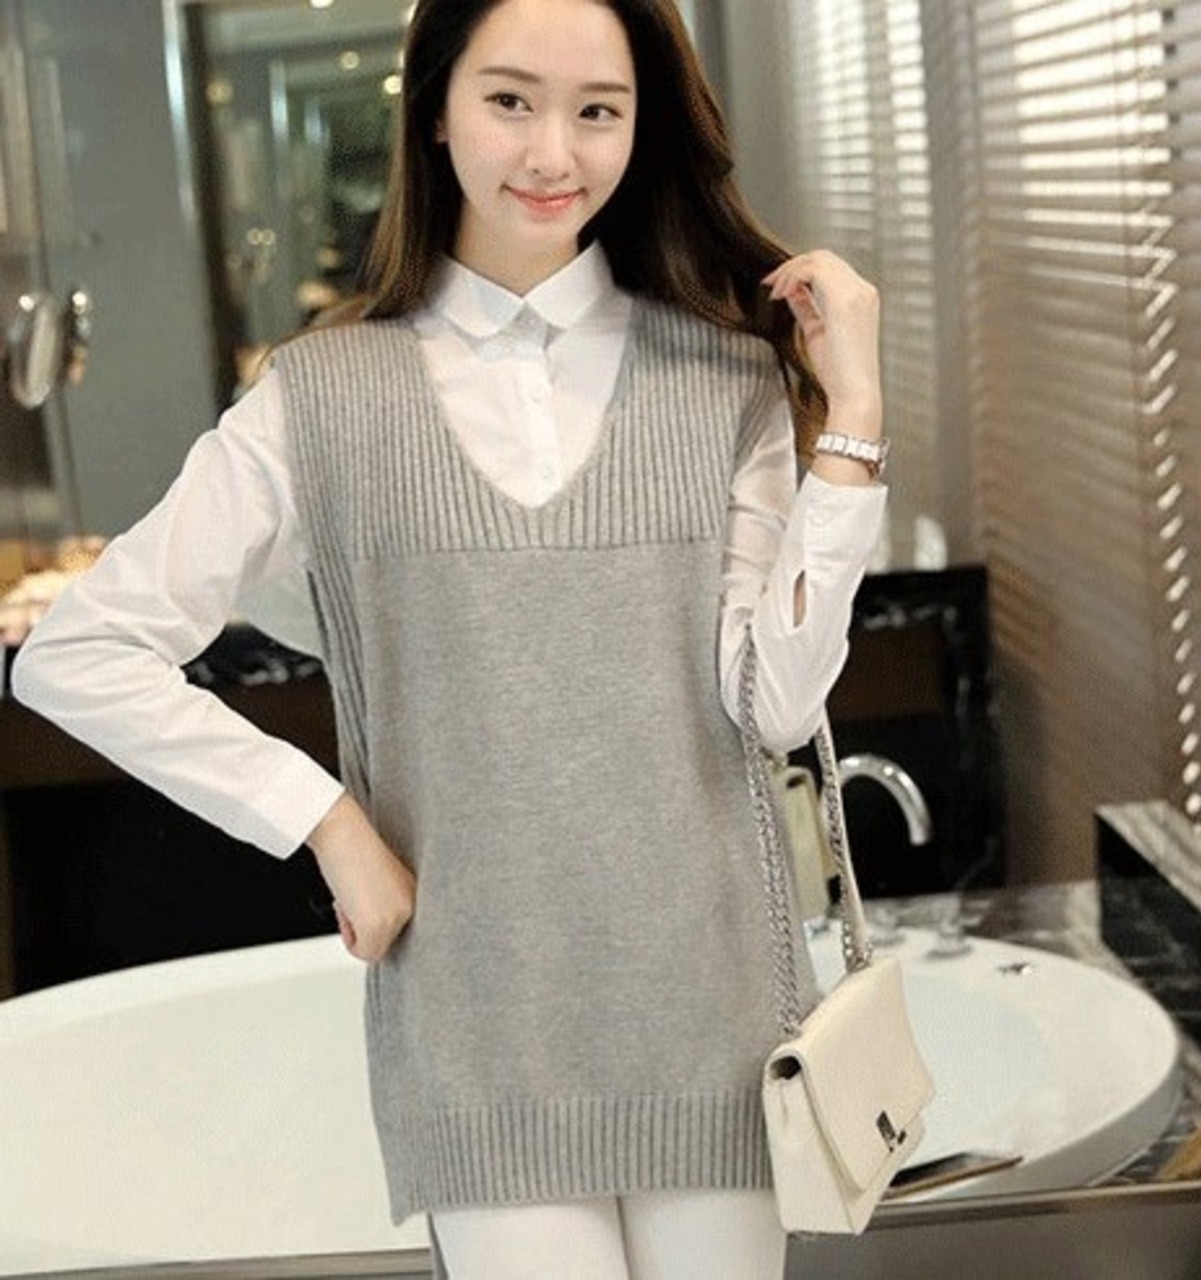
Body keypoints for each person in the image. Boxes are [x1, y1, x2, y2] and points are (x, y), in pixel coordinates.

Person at [12, 1, 888, 1276]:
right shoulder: (319, 397)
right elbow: (77, 653)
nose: (552, 152)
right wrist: (328, 823)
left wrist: (851, 415)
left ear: (640, 128)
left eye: (597, 111)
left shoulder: (724, 378)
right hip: (477, 1031)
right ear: (433, 108)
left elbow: (773, 703)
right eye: (509, 100)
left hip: (713, 1008)